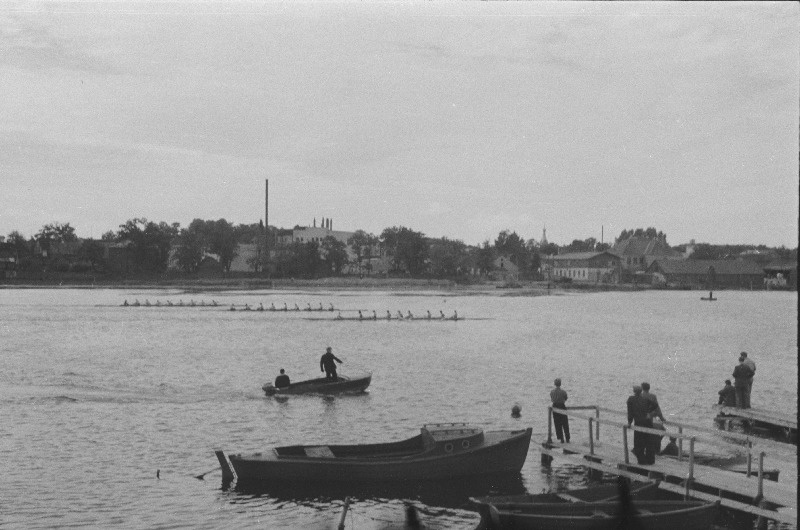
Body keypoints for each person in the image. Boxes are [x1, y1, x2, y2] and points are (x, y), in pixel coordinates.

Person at [627, 385, 653, 465]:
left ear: (634, 391)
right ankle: (650, 460)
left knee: (638, 442)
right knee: (648, 441)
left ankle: (642, 461)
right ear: (641, 391)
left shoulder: (631, 399)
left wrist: (629, 422)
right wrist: (649, 413)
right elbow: (654, 405)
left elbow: (630, 412)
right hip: (648, 422)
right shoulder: (645, 399)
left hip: (639, 422)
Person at [550, 378, 570, 443]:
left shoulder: (552, 392)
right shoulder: (563, 392)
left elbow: (552, 399)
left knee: (557, 423)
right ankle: (567, 438)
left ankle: (561, 438)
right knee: (565, 423)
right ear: (560, 384)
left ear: (555, 384)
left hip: (555, 407)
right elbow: (566, 398)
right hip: (562, 406)